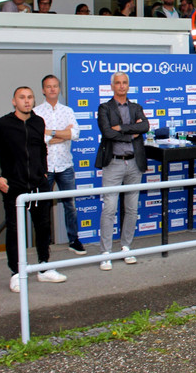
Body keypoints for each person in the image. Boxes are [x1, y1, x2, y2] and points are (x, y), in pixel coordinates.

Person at [0, 87, 67, 292]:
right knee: (15, 232)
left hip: (38, 185)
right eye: (22, 98)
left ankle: (44, 268)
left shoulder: (38, 122)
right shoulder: (2, 125)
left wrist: (44, 172)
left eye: (30, 97)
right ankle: (16, 273)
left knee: (43, 227)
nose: (27, 101)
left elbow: (42, 149)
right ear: (14, 101)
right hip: (14, 187)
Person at [95, 72, 148, 270]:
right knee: (109, 208)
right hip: (114, 164)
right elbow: (107, 132)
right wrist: (131, 134)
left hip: (134, 164)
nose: (121, 86)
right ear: (112, 86)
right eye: (118, 83)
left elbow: (145, 125)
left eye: (124, 82)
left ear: (128, 85)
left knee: (132, 209)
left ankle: (126, 247)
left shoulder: (135, 107)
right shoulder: (104, 108)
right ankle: (106, 252)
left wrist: (122, 129)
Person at [33, 75, 86, 255]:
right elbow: (38, 137)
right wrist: (61, 134)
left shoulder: (67, 110)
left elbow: (75, 134)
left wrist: (52, 132)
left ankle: (74, 240)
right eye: (48, 86)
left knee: (70, 204)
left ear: (59, 89)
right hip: (45, 167)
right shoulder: (36, 112)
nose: (52, 89)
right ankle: (44, 242)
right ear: (43, 90)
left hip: (65, 165)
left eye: (55, 86)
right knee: (43, 206)